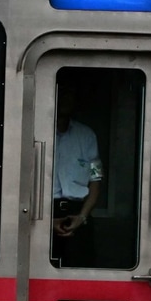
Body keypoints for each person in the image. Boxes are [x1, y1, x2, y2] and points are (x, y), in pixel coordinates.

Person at [51, 90, 102, 267]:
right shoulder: (37, 132)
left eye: (69, 95)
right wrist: (47, 222)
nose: (65, 99)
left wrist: (82, 217)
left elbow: (96, 180)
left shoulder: (86, 135)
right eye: (61, 93)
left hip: (78, 212)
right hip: (43, 212)